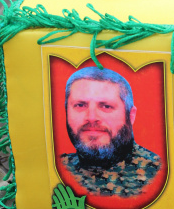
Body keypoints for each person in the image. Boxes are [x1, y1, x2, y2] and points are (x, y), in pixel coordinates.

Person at [61, 67, 162, 197]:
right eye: (80, 105)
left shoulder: (158, 173)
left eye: (106, 106)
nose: (91, 117)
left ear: (130, 116)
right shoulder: (59, 167)